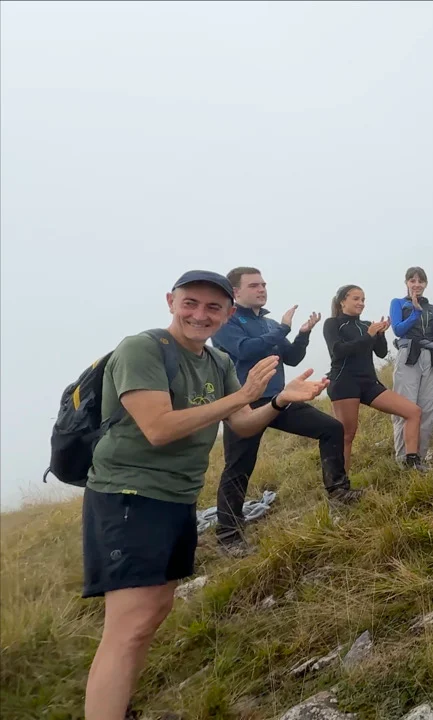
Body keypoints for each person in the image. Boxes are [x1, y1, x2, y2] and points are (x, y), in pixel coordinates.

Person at [81, 270, 329, 720]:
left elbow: (243, 424)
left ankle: (119, 708)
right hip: (127, 496)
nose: (200, 314)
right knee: (128, 626)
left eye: (213, 307)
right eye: (190, 303)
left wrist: (279, 401)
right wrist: (244, 395)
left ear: (228, 313)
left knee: (153, 613)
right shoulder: (142, 349)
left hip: (178, 497)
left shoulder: (216, 362)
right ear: (171, 302)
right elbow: (158, 427)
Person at [211, 267, 360, 558]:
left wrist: (303, 334)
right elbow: (245, 350)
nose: (262, 289)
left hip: (278, 399)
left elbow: (291, 357)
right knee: (238, 467)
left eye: (264, 284)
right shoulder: (227, 321)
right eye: (254, 285)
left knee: (332, 428)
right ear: (235, 292)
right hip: (244, 404)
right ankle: (228, 537)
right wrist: (283, 329)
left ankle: (339, 492)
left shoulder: (268, 324)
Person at [323, 285, 426, 470]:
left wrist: (380, 335)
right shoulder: (333, 323)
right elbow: (338, 351)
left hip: (369, 383)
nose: (361, 303)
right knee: (347, 435)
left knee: (413, 411)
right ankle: (340, 482)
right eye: (356, 299)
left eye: (363, 299)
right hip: (344, 383)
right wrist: (369, 335)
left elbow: (381, 352)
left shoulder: (366, 325)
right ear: (342, 301)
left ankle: (412, 463)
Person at [389, 267, 433, 467]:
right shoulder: (398, 303)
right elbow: (398, 329)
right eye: (412, 280)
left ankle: (420, 458)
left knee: (428, 408)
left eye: (420, 281)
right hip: (409, 354)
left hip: (430, 356)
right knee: (405, 406)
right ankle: (403, 459)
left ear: (425, 284)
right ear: (406, 282)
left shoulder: (431, 307)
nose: (417, 284)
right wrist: (415, 313)